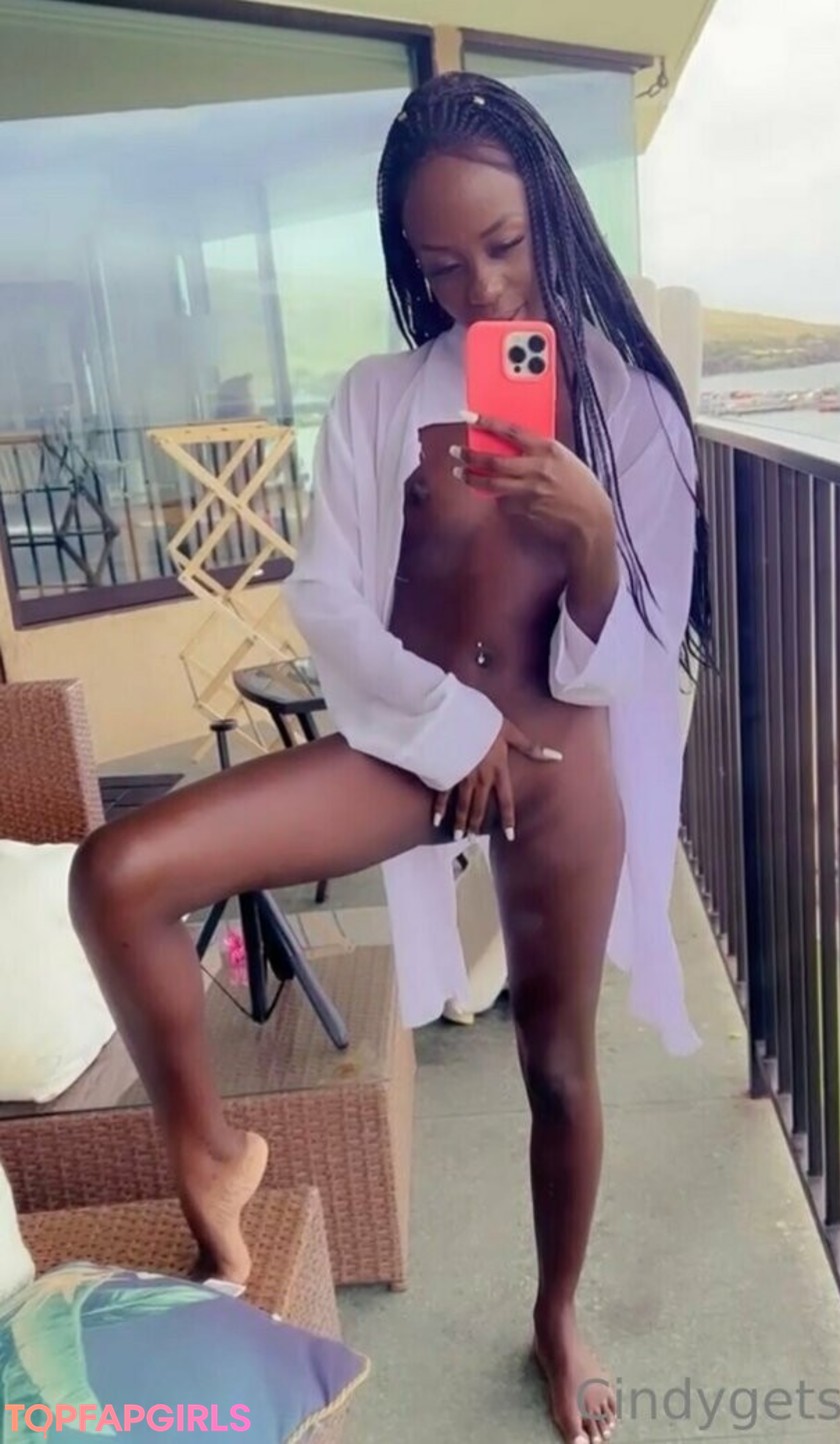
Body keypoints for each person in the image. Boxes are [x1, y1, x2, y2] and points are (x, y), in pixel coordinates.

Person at [67, 71, 712, 1444]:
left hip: (561, 755)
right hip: (419, 744)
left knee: (558, 1065)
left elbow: (625, 662)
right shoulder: (377, 396)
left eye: (504, 245)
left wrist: (594, 532)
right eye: (441, 263)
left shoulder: (630, 408)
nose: (480, 291)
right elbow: (328, 599)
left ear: (553, 219)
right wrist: (453, 726)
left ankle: (557, 1314)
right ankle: (213, 1150)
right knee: (116, 872)